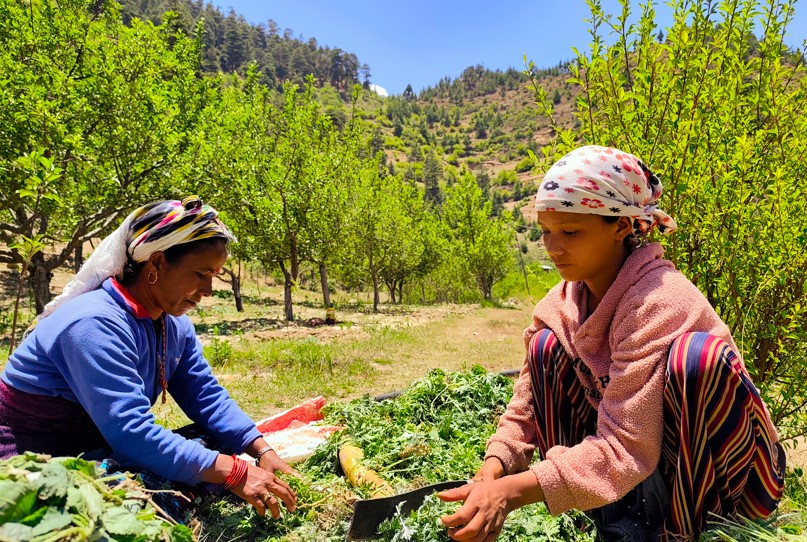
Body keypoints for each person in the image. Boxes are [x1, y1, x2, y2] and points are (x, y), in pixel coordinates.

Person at [438, 146, 785, 541]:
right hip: (644, 465)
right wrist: (496, 464)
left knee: (696, 361)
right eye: (546, 231)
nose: (553, 248)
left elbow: (627, 446)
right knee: (546, 349)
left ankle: (691, 531)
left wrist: (511, 494)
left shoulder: (658, 300)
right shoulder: (563, 302)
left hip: (728, 480)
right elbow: (527, 401)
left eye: (571, 232)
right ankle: (613, 517)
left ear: (621, 227)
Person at [0, 196, 296, 521]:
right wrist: (236, 473)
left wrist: (260, 450)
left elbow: (205, 395)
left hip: (105, 447)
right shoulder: (93, 323)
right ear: (156, 264)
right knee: (125, 512)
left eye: (215, 275)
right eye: (200, 274)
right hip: (40, 458)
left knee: (218, 443)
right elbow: (130, 430)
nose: (209, 289)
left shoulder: (172, 323)